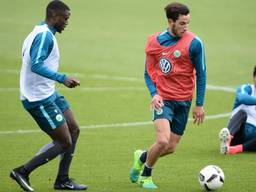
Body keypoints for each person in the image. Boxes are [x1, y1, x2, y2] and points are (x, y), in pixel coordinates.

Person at [10, 1, 87, 191]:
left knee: (74, 129)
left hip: (48, 92)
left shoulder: (40, 31)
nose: (67, 22)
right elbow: (35, 65)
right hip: (38, 99)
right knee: (64, 141)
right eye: (65, 18)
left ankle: (62, 180)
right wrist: (63, 78)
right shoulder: (44, 36)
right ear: (53, 15)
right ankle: (22, 171)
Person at [129, 2, 206, 189]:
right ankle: (146, 176)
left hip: (184, 100)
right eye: (182, 23)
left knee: (170, 147)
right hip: (163, 99)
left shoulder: (195, 43)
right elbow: (148, 72)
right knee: (162, 141)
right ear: (170, 21)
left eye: (188, 23)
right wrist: (154, 93)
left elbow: (202, 74)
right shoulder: (155, 41)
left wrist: (199, 104)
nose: (185, 27)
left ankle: (141, 157)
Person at [219, 66, 256, 155]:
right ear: (253, 77)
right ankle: (227, 141)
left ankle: (236, 149)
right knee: (242, 113)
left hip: (252, 138)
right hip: (237, 132)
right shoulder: (247, 89)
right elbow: (242, 98)